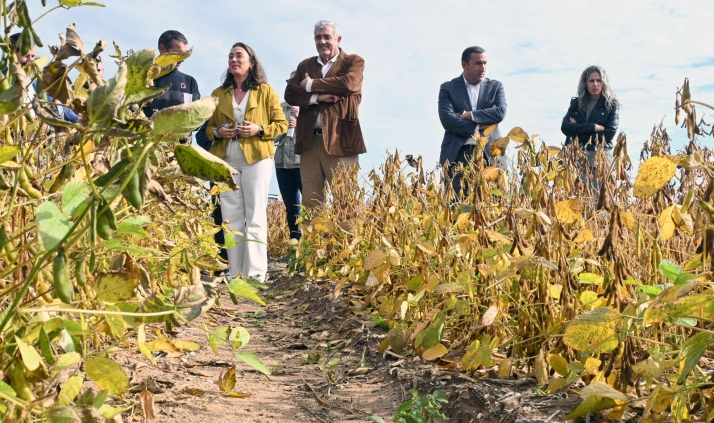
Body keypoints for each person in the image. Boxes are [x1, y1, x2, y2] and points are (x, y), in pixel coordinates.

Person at [205, 42, 287, 282]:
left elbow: (281, 125)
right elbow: (208, 128)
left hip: (257, 158)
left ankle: (256, 272)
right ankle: (235, 272)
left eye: (239, 55)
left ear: (251, 62)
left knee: (255, 214)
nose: (233, 59)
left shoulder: (266, 91)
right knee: (231, 216)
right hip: (227, 159)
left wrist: (259, 129)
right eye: (230, 56)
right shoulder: (218, 94)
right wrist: (219, 132)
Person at [284, 20, 365, 208]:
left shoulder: (353, 61)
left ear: (338, 39)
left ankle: (345, 239)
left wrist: (311, 85)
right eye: (318, 38)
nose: (322, 41)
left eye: (327, 37)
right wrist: (318, 98)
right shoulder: (305, 65)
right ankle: (313, 239)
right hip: (309, 142)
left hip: (342, 140)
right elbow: (290, 94)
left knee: (347, 204)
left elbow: (348, 83)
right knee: (311, 204)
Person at [438, 46, 507, 195]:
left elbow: (500, 113)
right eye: (478, 63)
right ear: (464, 65)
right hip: (458, 156)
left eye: (485, 63)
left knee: (494, 207)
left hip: (491, 155)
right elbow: (447, 120)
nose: (483, 68)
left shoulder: (496, 87)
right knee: (457, 206)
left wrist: (466, 115)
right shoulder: (448, 88)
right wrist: (479, 126)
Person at [561, 65, 620, 171]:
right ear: (585, 83)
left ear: (604, 83)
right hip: (574, 159)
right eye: (591, 81)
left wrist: (577, 130)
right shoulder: (576, 104)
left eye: (599, 80)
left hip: (599, 160)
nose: (595, 84)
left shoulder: (611, 105)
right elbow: (565, 127)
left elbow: (608, 135)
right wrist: (593, 127)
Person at [142, 30, 200, 130]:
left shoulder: (190, 82)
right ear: (162, 49)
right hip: (147, 142)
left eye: (185, 55)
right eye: (178, 54)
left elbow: (197, 121)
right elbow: (129, 113)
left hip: (179, 144)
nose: (182, 59)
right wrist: (149, 121)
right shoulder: (143, 78)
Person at [274, 73, 302, 239]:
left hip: (302, 162)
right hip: (282, 164)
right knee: (291, 208)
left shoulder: (310, 107)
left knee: (311, 207)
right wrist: (285, 126)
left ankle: (313, 247)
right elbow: (272, 137)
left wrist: (301, 120)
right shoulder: (280, 107)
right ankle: (295, 244)